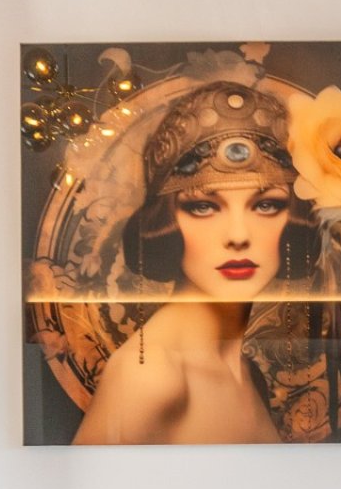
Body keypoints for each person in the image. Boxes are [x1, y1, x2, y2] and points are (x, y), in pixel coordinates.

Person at [74, 82, 317, 445]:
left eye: (267, 205)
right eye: (203, 207)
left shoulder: (246, 372)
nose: (238, 235)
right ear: (168, 221)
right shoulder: (150, 376)